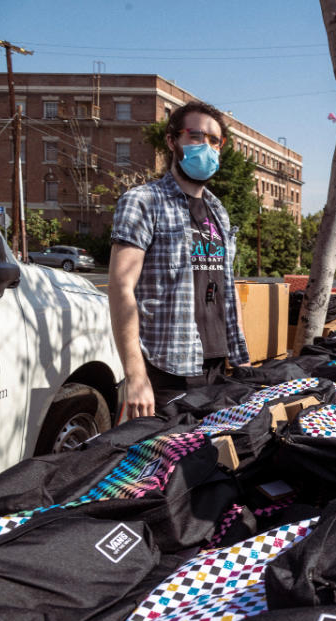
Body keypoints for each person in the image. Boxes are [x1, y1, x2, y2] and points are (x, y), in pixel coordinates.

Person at [108, 100, 250, 418]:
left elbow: (226, 285)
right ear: (173, 141)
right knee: (159, 465)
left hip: (217, 365)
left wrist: (241, 358)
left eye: (215, 141)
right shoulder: (143, 202)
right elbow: (120, 288)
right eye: (196, 136)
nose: (207, 147)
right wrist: (135, 375)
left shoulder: (218, 211)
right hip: (166, 371)